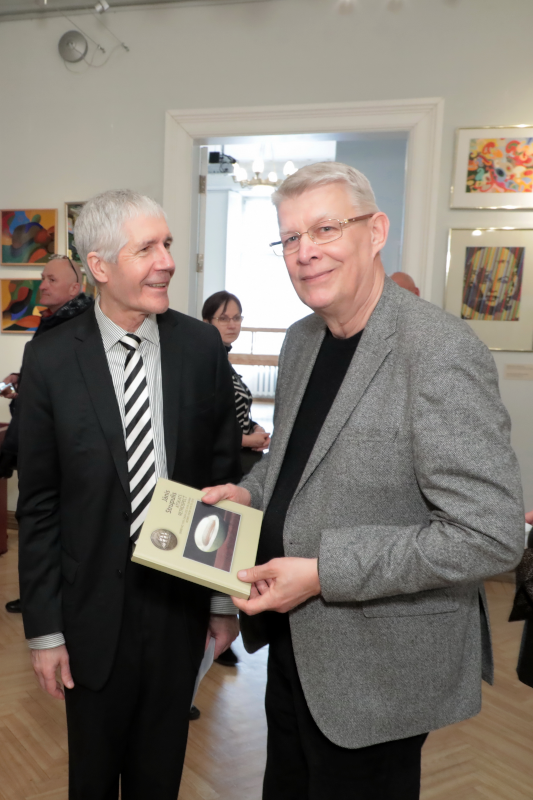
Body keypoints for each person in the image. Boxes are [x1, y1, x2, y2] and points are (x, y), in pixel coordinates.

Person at [201, 162, 525, 800]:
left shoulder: (438, 349)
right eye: (290, 238)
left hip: (380, 670)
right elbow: (291, 462)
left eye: (325, 229)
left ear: (375, 232)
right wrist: (250, 493)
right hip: (294, 642)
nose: (305, 252)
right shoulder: (302, 340)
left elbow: (489, 535)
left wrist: (324, 572)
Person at [16, 190, 242, 800]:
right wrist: (45, 632)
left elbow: (221, 479)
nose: (167, 261)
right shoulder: (51, 359)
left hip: (178, 607)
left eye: (167, 244)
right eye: (147, 249)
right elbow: (38, 506)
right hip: (89, 614)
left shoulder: (200, 349)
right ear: (100, 265)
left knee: (159, 778)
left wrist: (222, 600)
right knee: (91, 779)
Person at [1, 254, 93, 614]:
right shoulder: (53, 322)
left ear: (75, 288)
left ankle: (46, 602)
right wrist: (24, 381)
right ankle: (39, 598)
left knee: (48, 524)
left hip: (58, 449)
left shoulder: (80, 327)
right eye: (43, 278)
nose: (43, 285)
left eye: (51, 279)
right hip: (42, 442)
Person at [202, 290, 271, 668]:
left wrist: (256, 429)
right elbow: (209, 427)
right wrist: (248, 439)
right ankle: (217, 632)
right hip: (224, 469)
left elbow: (236, 415)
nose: (232, 324)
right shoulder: (206, 361)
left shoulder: (224, 361)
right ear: (207, 322)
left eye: (237, 317)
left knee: (232, 553)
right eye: (224, 318)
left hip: (241, 462)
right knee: (219, 552)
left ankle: (225, 628)